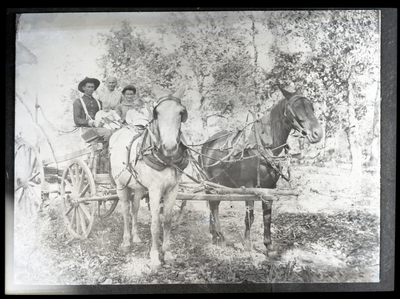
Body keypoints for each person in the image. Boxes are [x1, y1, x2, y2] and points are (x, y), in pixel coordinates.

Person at [73, 77, 112, 143]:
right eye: (88, 87)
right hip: (86, 130)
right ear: (83, 88)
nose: (91, 89)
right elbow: (77, 120)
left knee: (117, 132)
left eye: (92, 87)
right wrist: (91, 122)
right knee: (110, 132)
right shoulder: (78, 101)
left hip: (100, 129)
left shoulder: (99, 102)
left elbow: (104, 114)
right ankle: (104, 151)